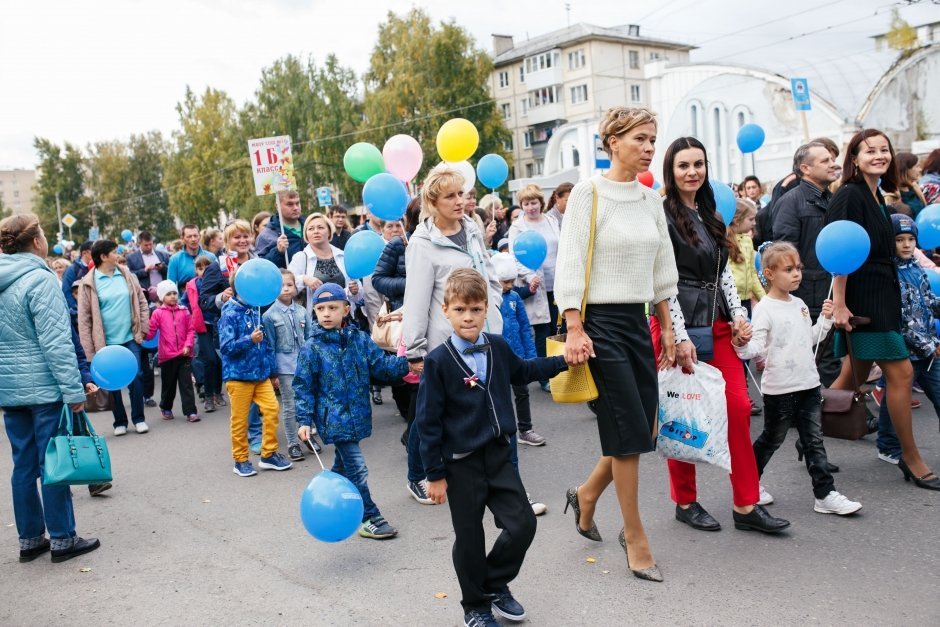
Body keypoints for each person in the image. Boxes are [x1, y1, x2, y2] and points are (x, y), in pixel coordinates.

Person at [555, 107, 677, 583]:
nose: (649, 147)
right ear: (613, 142)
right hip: (599, 324)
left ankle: (586, 495)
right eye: (640, 139)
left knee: (640, 427)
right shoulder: (589, 193)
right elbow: (569, 264)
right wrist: (576, 326)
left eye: (652, 139)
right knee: (628, 435)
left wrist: (667, 326)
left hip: (638, 322)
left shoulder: (650, 200)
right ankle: (636, 535)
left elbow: (662, 269)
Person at [415, 269, 566, 625]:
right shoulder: (437, 362)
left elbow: (525, 370)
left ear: (486, 310)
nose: (469, 317)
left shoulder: (497, 346)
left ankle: (494, 583)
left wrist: (564, 361)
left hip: (498, 457)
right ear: (446, 310)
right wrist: (433, 474)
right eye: (461, 310)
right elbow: (427, 423)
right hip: (460, 465)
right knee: (469, 538)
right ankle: (476, 607)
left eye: (476, 309)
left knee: (522, 524)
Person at [656, 136, 790, 534]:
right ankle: (684, 500)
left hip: (716, 326)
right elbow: (664, 282)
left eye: (698, 163)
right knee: (683, 411)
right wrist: (678, 336)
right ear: (671, 170)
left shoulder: (711, 211)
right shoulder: (662, 215)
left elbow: (723, 274)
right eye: (683, 165)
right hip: (676, 327)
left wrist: (738, 316)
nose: (692, 171)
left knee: (738, 409)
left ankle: (746, 505)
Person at [826, 129, 939, 490]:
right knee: (902, 374)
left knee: (849, 377)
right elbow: (838, 251)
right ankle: (909, 456)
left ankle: (809, 438)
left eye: (884, 149)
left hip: (883, 293)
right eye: (869, 150)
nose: (879, 155)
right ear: (854, 159)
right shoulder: (849, 194)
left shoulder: (877, 196)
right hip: (864, 297)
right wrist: (840, 304)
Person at [0, 213, 101, 563]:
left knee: (23, 466)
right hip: (44, 389)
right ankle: (62, 538)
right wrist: (73, 391)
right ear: (38, 241)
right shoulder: (40, 280)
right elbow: (56, 343)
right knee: (53, 462)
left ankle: (30, 539)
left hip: (10, 390)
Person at [734, 242, 863, 515]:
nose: (797, 274)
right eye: (789, 269)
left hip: (809, 384)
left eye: (799, 268)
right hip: (779, 389)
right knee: (772, 438)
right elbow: (755, 347)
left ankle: (825, 494)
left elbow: (811, 339)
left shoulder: (801, 305)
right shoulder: (765, 309)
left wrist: (825, 321)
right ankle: (748, 484)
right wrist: (741, 345)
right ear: (768, 274)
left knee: (814, 440)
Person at [401, 166, 502, 506]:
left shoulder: (471, 228)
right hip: (445, 344)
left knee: (477, 402)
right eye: (451, 196)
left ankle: (486, 473)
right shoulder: (422, 243)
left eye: (461, 194)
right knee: (433, 412)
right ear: (432, 201)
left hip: (484, 333)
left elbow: (486, 270)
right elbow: (414, 299)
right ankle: (418, 475)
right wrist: (415, 350)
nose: (460, 201)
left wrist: (495, 304)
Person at [294, 283, 413, 538]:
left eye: (333, 308)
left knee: (342, 468)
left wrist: (408, 364)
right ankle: (370, 517)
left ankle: (324, 500)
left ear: (346, 310)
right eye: (320, 308)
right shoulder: (311, 347)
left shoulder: (359, 340)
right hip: (333, 419)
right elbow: (303, 385)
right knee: (357, 467)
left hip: (357, 416)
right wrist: (304, 420)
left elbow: (382, 367)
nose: (326, 313)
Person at [876, 215, 940, 465]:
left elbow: (926, 302)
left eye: (911, 239)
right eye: (899, 239)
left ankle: (887, 443)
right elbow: (899, 317)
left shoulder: (917, 269)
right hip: (905, 351)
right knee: (896, 399)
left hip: (926, 349)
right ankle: (888, 445)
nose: (906, 244)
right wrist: (929, 345)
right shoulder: (889, 274)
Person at [218, 266, 292, 477]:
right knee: (240, 420)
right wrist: (249, 340)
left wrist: (273, 371)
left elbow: (265, 344)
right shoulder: (229, 314)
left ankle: (268, 454)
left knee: (272, 410)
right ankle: (240, 460)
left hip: (260, 375)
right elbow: (226, 347)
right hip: (238, 376)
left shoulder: (255, 311)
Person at [77, 240, 151, 436]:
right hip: (106, 342)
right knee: (112, 383)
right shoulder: (88, 282)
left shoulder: (127, 274)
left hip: (130, 337)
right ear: (103, 256)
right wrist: (89, 350)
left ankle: (139, 418)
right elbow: (84, 319)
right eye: (114, 252)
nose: (118, 255)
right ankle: (119, 421)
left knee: (135, 377)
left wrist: (143, 327)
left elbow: (141, 301)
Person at [198, 220, 257, 412]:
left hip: (260, 330)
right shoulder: (217, 267)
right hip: (233, 335)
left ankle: (259, 425)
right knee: (242, 385)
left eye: (245, 235)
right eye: (236, 237)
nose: (242, 240)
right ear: (226, 241)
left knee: (261, 383)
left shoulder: (259, 263)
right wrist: (221, 297)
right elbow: (204, 300)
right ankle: (250, 430)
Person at [508, 183, 561, 395]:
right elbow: (516, 256)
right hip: (535, 284)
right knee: (542, 331)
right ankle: (544, 376)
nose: (530, 207)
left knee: (558, 328)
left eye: (534, 202)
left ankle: (561, 371)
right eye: (526, 203)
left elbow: (561, 246)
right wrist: (530, 277)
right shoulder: (518, 227)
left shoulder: (551, 220)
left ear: (541, 202)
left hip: (556, 281)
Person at [263, 269, 317, 462]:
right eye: (281, 286)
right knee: (290, 405)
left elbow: (310, 337)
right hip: (284, 367)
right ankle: (293, 443)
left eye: (289, 285)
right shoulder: (269, 316)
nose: (285, 289)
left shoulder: (302, 311)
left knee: (307, 402)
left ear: (295, 287)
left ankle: (307, 436)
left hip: (303, 364)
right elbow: (268, 345)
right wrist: (273, 373)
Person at [491, 253, 544, 446]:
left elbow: (524, 326)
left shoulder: (514, 298)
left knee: (522, 392)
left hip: (518, 355)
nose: (510, 286)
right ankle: (501, 430)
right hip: (497, 357)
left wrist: (531, 355)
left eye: (511, 281)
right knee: (499, 394)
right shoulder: (489, 298)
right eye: (505, 282)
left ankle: (525, 429)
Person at [144, 280, 199, 422]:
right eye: (169, 294)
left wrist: (188, 345)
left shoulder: (184, 311)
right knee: (169, 385)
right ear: (162, 297)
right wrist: (141, 333)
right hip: (167, 356)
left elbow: (190, 330)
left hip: (184, 354)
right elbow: (150, 332)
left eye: (175, 293)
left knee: (186, 384)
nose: (173, 296)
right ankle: (166, 406)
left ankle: (190, 412)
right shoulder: (158, 313)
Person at [288, 213, 361, 318]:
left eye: (320, 227)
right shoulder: (301, 257)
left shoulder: (343, 256)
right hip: (315, 320)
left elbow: (358, 294)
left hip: (344, 319)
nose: (316, 231)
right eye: (311, 229)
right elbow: (287, 284)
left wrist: (355, 291)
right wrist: (304, 279)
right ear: (306, 234)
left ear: (329, 231)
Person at [727, 199, 765, 316]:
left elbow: (752, 273)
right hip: (730, 300)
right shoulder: (724, 242)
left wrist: (764, 299)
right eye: (750, 219)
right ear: (737, 220)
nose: (754, 223)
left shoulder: (748, 241)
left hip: (746, 300)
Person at [255, 190, 306, 268]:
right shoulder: (266, 235)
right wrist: (277, 251)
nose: (295, 208)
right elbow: (262, 267)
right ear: (277, 206)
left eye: (297, 203)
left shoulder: (310, 227)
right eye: (290, 204)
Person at [125, 231, 170, 301]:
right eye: (146, 245)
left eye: (150, 244)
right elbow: (130, 276)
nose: (149, 247)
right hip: (145, 296)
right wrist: (144, 271)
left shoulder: (162, 254)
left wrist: (162, 268)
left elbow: (170, 271)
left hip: (163, 294)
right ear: (139, 243)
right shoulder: (131, 258)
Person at [886, 152, 927, 217]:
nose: (920, 169)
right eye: (917, 166)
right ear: (905, 169)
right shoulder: (891, 196)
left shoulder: (915, 189)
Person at [62, 240, 93, 309]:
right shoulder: (72, 269)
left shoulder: (97, 268)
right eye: (94, 252)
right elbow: (66, 291)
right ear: (85, 253)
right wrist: (76, 309)